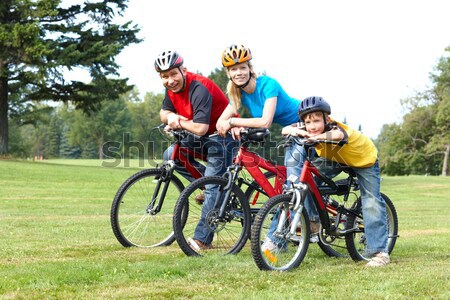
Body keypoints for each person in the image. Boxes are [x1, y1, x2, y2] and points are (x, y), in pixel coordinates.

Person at [215, 44, 320, 242]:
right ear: (228, 73)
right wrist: (230, 125)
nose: (239, 73)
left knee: (292, 176)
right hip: (287, 132)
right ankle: (294, 221)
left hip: (305, 126)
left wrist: (232, 122)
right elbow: (222, 121)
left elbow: (265, 122)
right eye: (234, 69)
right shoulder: (238, 94)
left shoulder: (268, 84)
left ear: (250, 69)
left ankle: (310, 222)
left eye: (242, 67)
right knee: (288, 175)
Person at [281, 96, 390, 267]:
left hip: (363, 159)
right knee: (306, 183)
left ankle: (380, 252)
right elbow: (285, 129)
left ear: (327, 119)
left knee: (371, 202)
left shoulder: (335, 127)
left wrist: (317, 138)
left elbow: (338, 135)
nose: (312, 126)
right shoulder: (307, 127)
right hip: (336, 159)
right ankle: (313, 222)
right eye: (308, 122)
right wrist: (298, 131)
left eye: (317, 120)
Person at [155, 50, 238, 250]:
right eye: (164, 76)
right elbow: (163, 113)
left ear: (183, 70)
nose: (170, 80)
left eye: (174, 74)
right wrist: (171, 117)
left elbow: (200, 128)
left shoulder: (199, 88)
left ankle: (203, 239)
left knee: (212, 187)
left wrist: (178, 120)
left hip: (223, 138)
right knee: (171, 155)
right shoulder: (171, 89)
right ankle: (209, 189)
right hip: (202, 138)